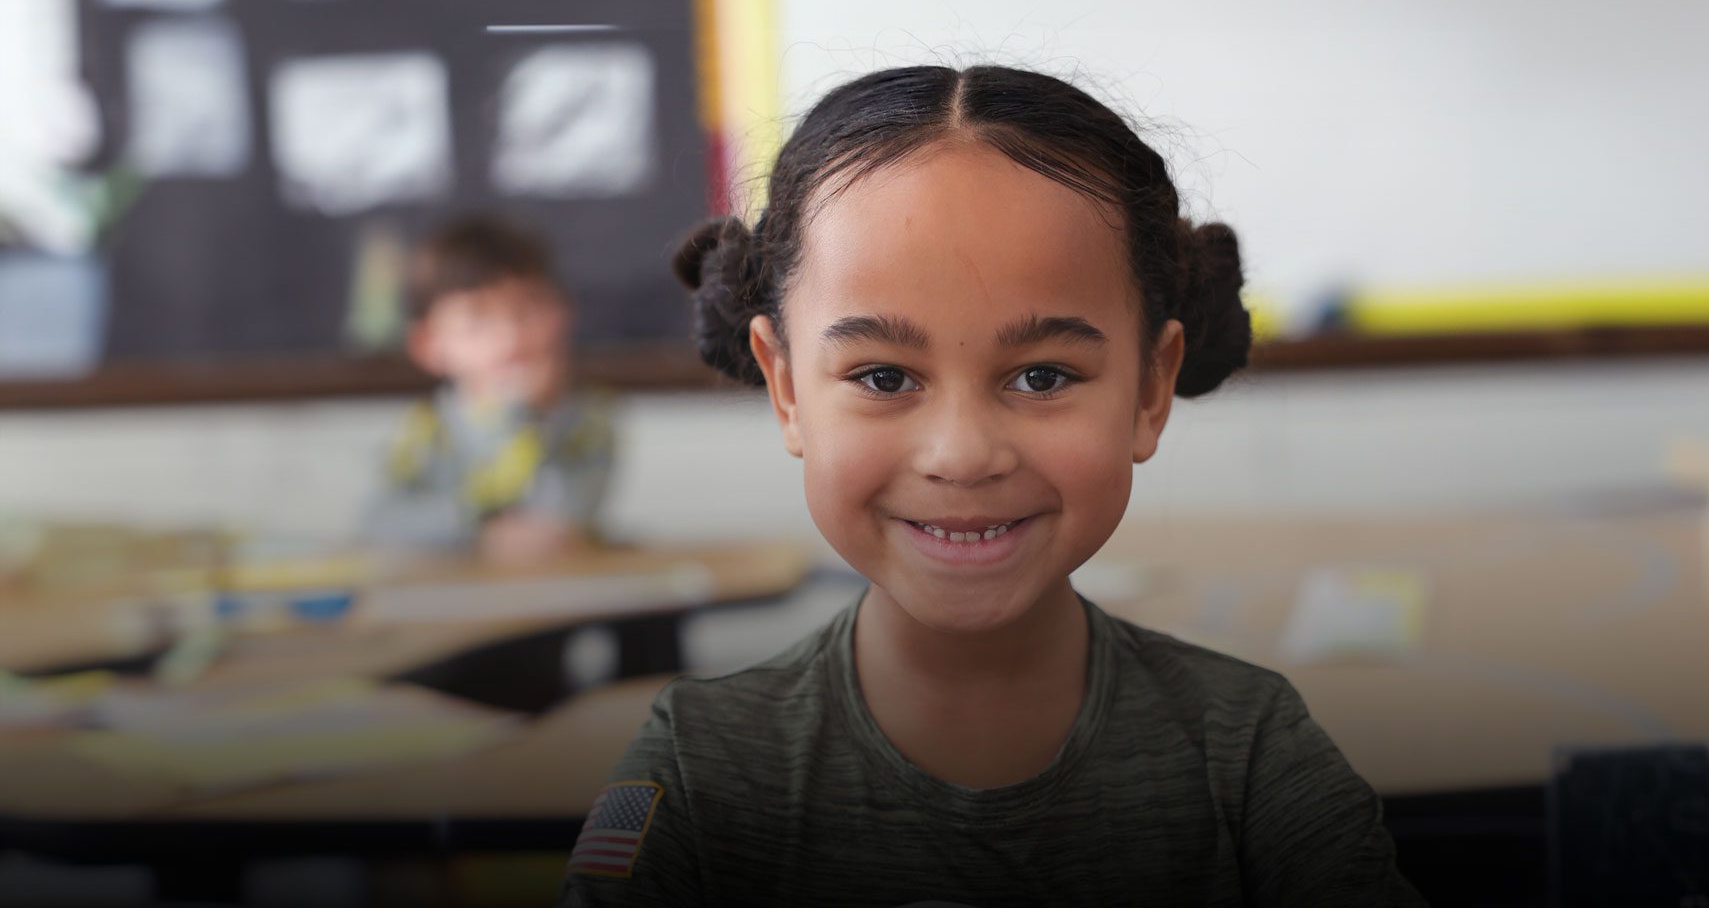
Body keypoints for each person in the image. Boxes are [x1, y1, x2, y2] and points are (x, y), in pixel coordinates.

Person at [560, 66, 1421, 905]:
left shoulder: (1248, 751)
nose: (963, 455)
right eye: (885, 378)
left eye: (1042, 377)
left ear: (1150, 389)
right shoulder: (703, 769)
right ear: (786, 389)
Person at [362, 215, 616, 566]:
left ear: (563, 312)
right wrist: (481, 528)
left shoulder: (588, 418)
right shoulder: (426, 427)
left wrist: (529, 416)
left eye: (529, 308)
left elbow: (560, 521)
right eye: (477, 318)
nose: (510, 335)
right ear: (428, 344)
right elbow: (380, 523)